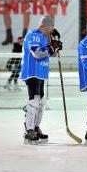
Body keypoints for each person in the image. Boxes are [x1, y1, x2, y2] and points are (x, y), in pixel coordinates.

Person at [19, 15, 62, 144]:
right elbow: (37, 54)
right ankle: (29, 131)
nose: (53, 29)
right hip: (32, 71)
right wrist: (50, 48)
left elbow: (51, 53)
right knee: (35, 100)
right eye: (51, 27)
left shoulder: (44, 37)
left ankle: (35, 128)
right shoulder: (34, 34)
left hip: (41, 72)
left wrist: (55, 45)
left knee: (41, 101)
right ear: (45, 26)